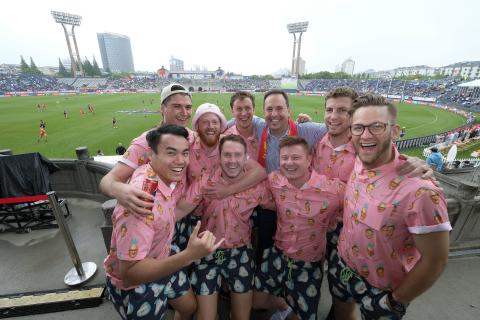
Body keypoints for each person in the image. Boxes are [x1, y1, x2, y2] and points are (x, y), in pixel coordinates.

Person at [330, 94, 451, 320]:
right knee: (342, 312)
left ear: (395, 131)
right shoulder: (359, 160)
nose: (365, 135)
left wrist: (395, 301)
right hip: (343, 265)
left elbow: (436, 260)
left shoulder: (421, 192)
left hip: (382, 290)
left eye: (376, 126)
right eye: (358, 128)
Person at [104, 125, 223, 320]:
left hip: (164, 256)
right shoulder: (142, 203)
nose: (180, 161)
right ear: (150, 155)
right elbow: (131, 273)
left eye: (185, 153)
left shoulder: (156, 175)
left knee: (188, 307)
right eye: (171, 153)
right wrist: (189, 255)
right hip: (137, 286)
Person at [177, 135, 272, 320]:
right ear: (219, 157)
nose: (232, 161)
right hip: (207, 251)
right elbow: (180, 210)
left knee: (241, 317)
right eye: (227, 155)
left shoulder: (257, 187)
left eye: (238, 155)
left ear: (246, 158)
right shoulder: (205, 182)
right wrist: (146, 223)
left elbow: (282, 207)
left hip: (240, 252)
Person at [253, 136, 345, 320]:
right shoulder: (275, 180)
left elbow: (361, 198)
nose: (289, 163)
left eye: (295, 158)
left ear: (309, 159)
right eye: (284, 158)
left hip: (308, 264)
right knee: (256, 302)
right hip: (278, 254)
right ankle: (284, 306)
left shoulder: (332, 190)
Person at [224, 91, 259, 160]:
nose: (243, 113)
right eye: (239, 109)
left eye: (247, 108)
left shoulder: (264, 135)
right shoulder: (226, 138)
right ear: (232, 111)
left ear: (254, 110)